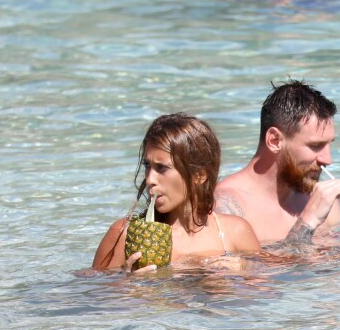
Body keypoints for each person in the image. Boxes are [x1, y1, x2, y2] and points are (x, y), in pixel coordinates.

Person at [92, 113, 261, 273]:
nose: (150, 179)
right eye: (147, 166)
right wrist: (127, 286)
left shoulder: (235, 232)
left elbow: (266, 292)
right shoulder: (123, 235)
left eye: (162, 168)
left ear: (200, 175)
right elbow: (92, 296)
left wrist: (244, 272)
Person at [215, 79, 340, 245]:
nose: (327, 160)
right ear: (274, 140)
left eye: (329, 144)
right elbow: (247, 269)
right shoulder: (225, 208)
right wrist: (308, 221)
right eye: (316, 145)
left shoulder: (324, 202)